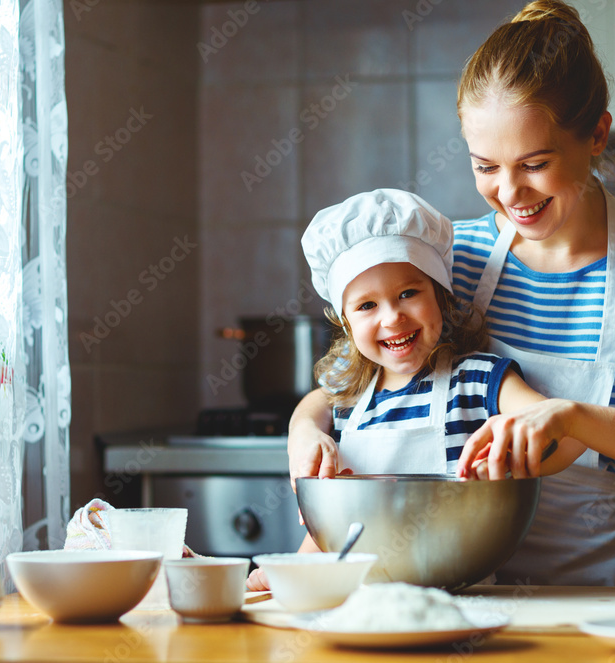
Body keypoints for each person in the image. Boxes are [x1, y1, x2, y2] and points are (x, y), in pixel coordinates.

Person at [286, 0, 615, 588]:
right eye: (485, 166)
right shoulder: (450, 259)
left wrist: (574, 419)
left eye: (535, 163)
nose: (510, 193)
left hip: (592, 611)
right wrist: (304, 431)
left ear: (597, 134)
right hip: (442, 603)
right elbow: (350, 386)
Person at [245, 187, 583, 592]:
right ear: (347, 324)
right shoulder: (352, 402)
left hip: (463, 596)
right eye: (366, 306)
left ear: (440, 296)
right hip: (361, 603)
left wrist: (520, 450)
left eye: (408, 293)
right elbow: (336, 522)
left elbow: (564, 429)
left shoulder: (477, 380)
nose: (392, 318)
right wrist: (298, 570)